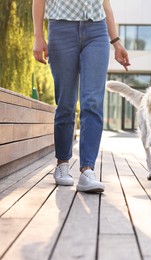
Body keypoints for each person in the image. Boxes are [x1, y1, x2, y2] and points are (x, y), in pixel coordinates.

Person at [32, 0, 130, 193]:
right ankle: (62, 164)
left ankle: (87, 170)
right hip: (61, 29)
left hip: (97, 31)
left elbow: (105, 4)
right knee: (66, 102)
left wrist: (116, 42)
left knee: (92, 102)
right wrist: (38, 36)